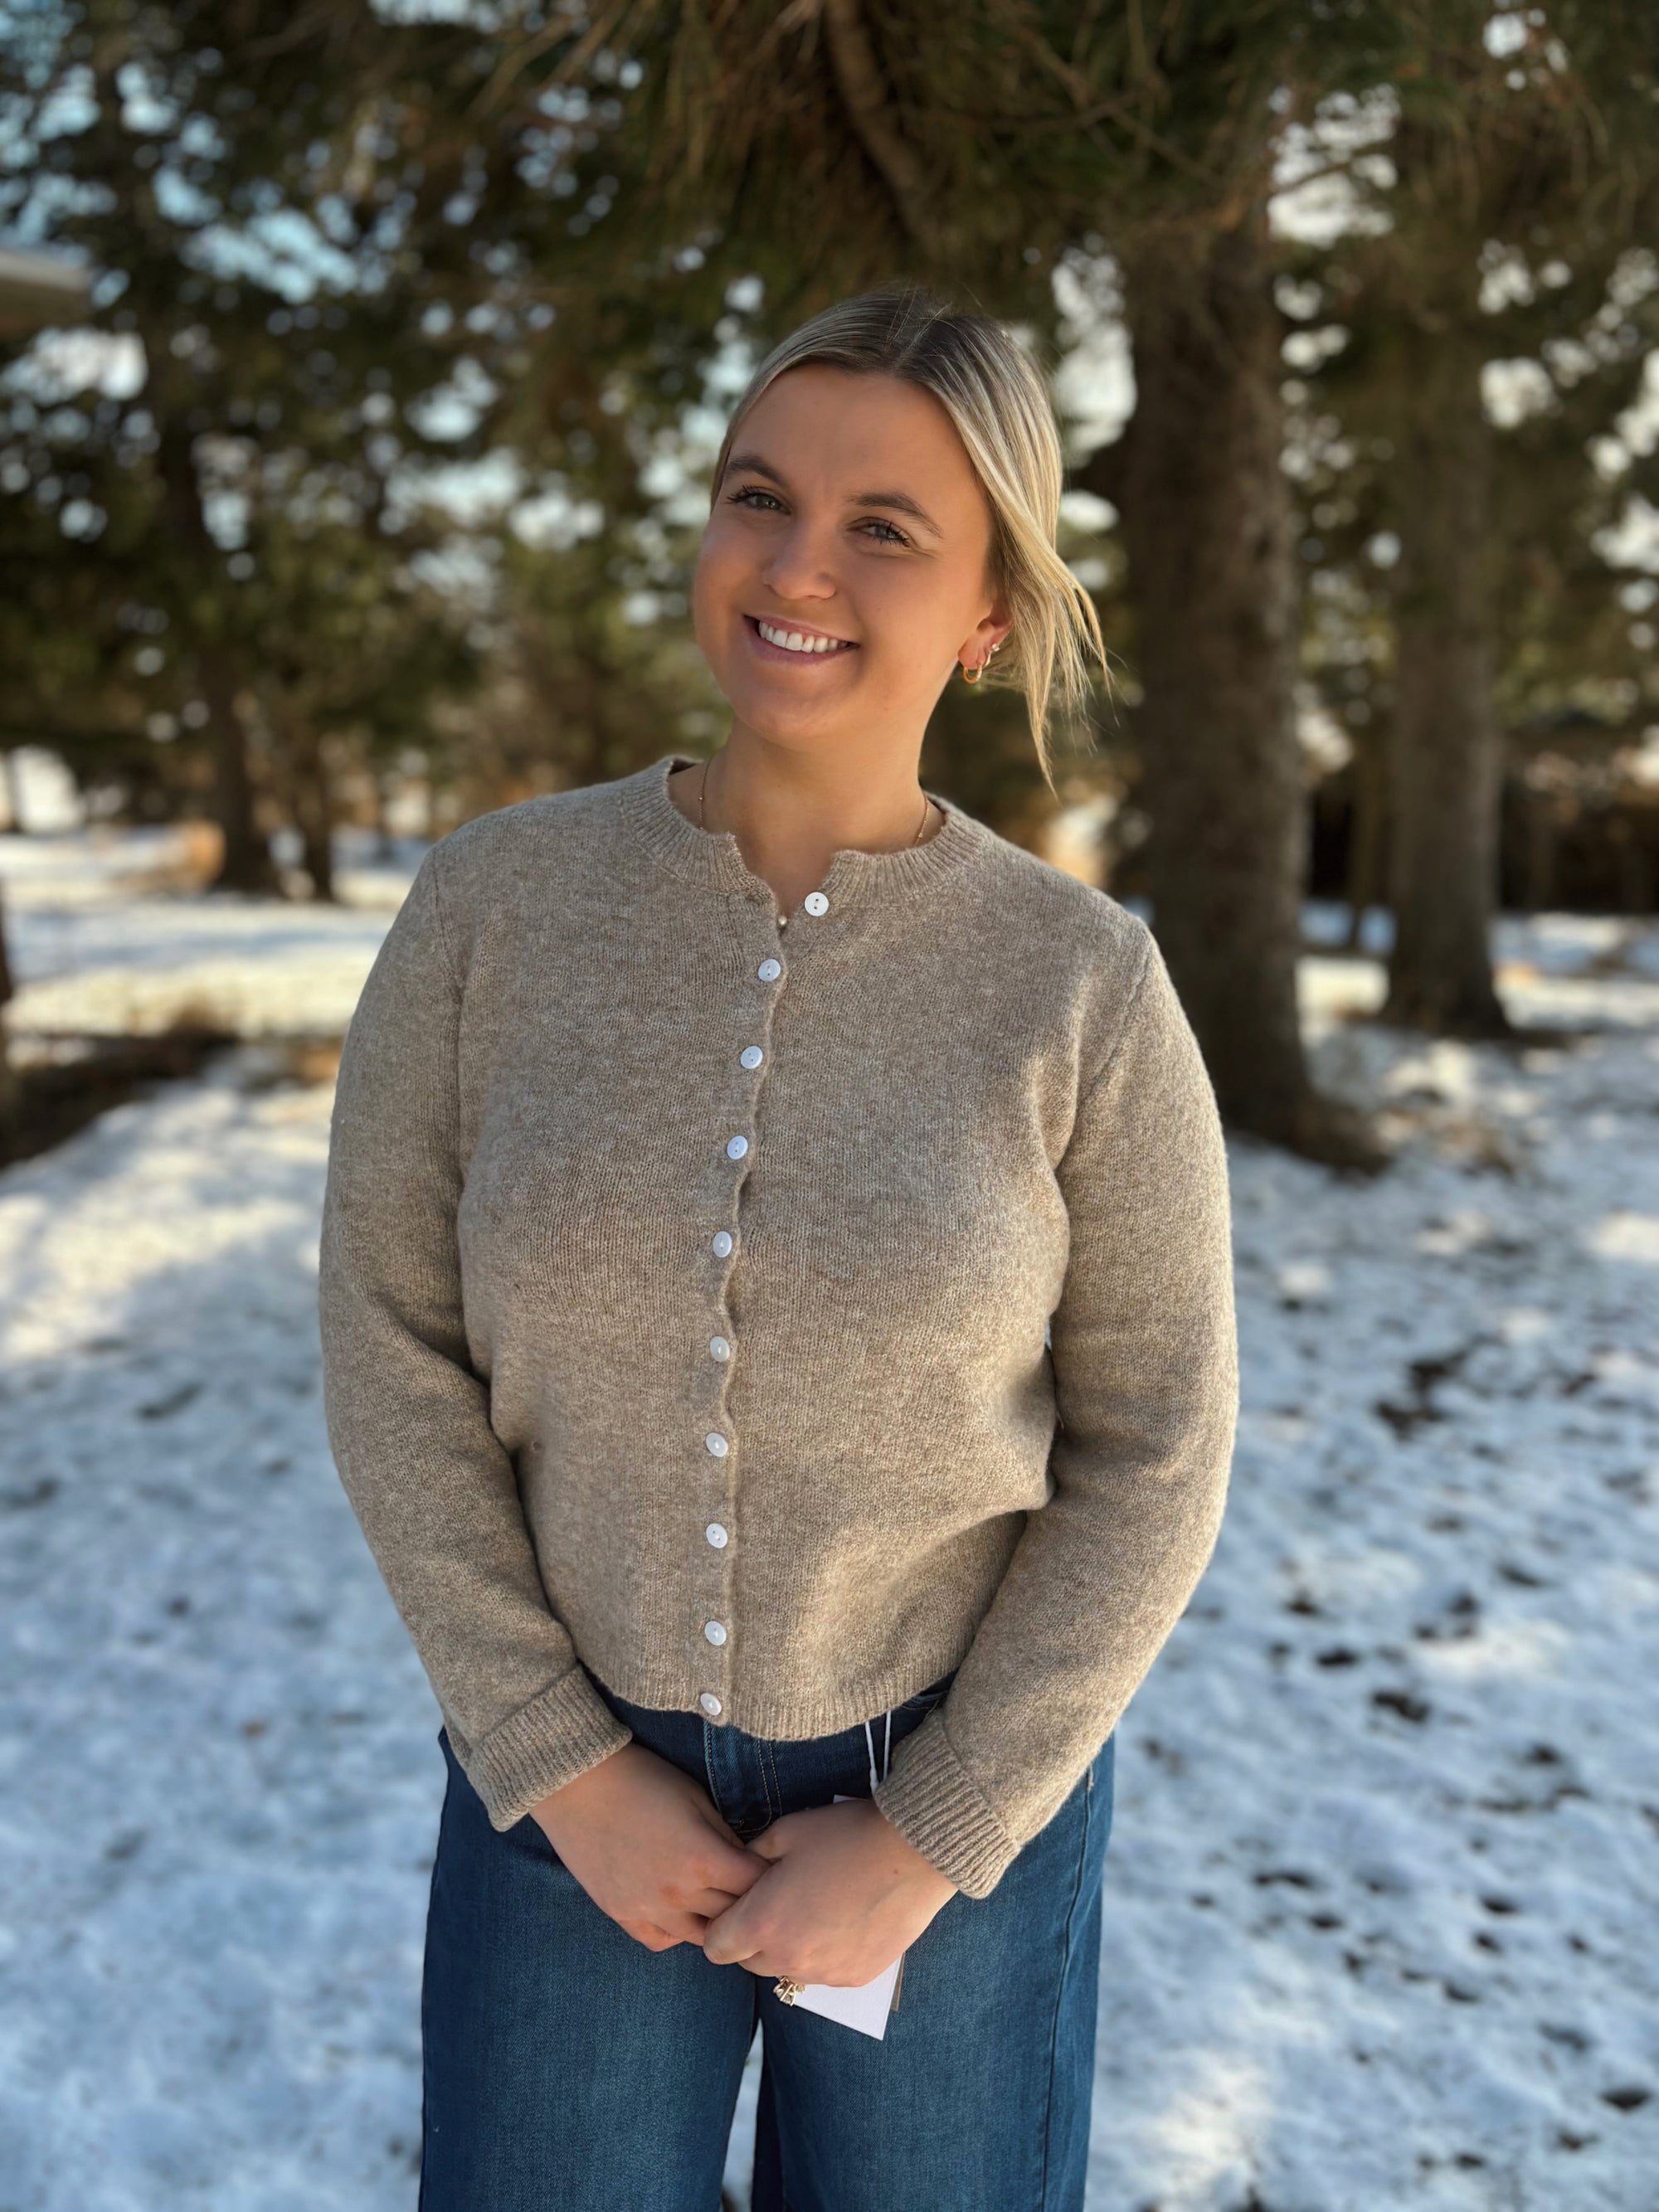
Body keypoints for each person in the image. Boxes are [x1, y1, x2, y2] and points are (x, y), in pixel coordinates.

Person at [317, 284, 1239, 2212]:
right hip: (562, 1799)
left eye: (884, 526)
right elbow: (391, 1338)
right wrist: (559, 1757)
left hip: (950, 1799)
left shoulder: (1084, 988)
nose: (795, 562)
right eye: (759, 495)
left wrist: (931, 1831)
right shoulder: (490, 908)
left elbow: (1156, 1445)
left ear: (988, 612)